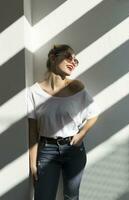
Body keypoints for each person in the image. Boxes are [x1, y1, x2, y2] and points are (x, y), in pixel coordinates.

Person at [27, 44, 100, 200]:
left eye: (76, 60)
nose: (73, 61)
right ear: (53, 57)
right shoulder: (34, 92)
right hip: (47, 150)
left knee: (71, 197)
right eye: (69, 57)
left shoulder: (77, 87)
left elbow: (94, 114)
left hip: (74, 150)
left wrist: (82, 134)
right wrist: (33, 163)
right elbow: (33, 130)